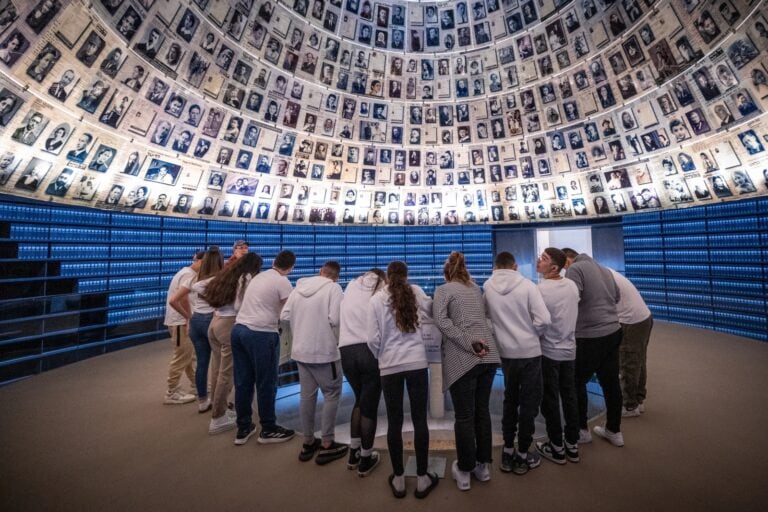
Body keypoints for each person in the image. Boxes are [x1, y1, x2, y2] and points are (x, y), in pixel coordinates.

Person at [368, 261, 438, 499]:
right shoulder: (416, 292)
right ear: (407, 275)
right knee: (420, 421)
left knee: (394, 421)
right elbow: (434, 311)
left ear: (387, 276)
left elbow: (372, 339)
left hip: (389, 367)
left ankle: (398, 479)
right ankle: (421, 478)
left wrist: (383, 357)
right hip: (417, 363)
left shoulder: (376, 299)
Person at [433, 252, 500, 491]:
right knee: (482, 412)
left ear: (446, 273)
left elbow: (441, 321)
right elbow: (485, 319)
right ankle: (483, 467)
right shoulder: (475, 289)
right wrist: (479, 341)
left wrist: (469, 342)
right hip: (489, 356)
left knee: (464, 416)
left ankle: (464, 469)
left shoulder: (443, 290)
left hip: (465, 358)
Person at [483, 251, 551, 474]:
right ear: (515, 266)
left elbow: (487, 319)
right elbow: (544, 320)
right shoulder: (528, 286)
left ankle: (508, 450)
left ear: (496, 266)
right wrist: (531, 335)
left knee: (509, 402)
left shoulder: (487, 286)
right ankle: (523, 454)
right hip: (530, 353)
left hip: (506, 354)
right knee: (529, 404)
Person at [281, 261, 347, 464]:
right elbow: (336, 319)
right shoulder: (334, 288)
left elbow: (284, 315)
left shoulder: (298, 288)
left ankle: (308, 441)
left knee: (306, 397)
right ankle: (327, 443)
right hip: (325, 352)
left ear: (320, 271)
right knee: (332, 394)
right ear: (335, 277)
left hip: (300, 351)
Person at [231, 250, 297, 445]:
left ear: (274, 261)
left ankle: (243, 428)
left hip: (239, 330)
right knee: (266, 382)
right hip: (261, 334)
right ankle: (268, 428)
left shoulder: (259, 277)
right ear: (291, 267)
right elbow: (289, 312)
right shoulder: (283, 282)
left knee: (243, 382)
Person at [562, 248, 624, 447]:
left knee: (575, 382)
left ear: (567, 260)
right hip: (613, 332)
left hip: (589, 336)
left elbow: (571, 299)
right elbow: (617, 297)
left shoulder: (575, 269)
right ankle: (614, 430)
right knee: (611, 383)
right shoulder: (604, 269)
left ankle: (581, 430)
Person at [533, 248, 581, 464]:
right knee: (570, 397)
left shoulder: (540, 290)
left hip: (549, 352)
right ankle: (572, 444)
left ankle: (556, 447)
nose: (538, 261)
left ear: (553, 267)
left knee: (550, 400)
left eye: (543, 259)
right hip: (569, 351)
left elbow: (538, 322)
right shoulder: (571, 286)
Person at [169, 247, 223, 412]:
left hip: (196, 321)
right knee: (219, 365)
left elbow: (173, 300)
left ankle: (203, 401)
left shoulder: (193, 280)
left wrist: (189, 317)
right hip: (212, 321)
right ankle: (218, 402)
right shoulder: (219, 280)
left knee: (201, 363)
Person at [608, 269, 653, 418]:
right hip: (643, 318)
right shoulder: (605, 272)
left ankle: (629, 405)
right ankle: (638, 400)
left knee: (628, 363)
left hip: (631, 321)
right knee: (638, 361)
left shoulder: (599, 276)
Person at [163, 252, 203, 405]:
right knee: (181, 357)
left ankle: (197, 385)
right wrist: (189, 317)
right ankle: (171, 391)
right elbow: (182, 298)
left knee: (188, 356)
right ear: (198, 261)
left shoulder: (186, 272)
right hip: (180, 322)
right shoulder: (189, 275)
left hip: (180, 321)